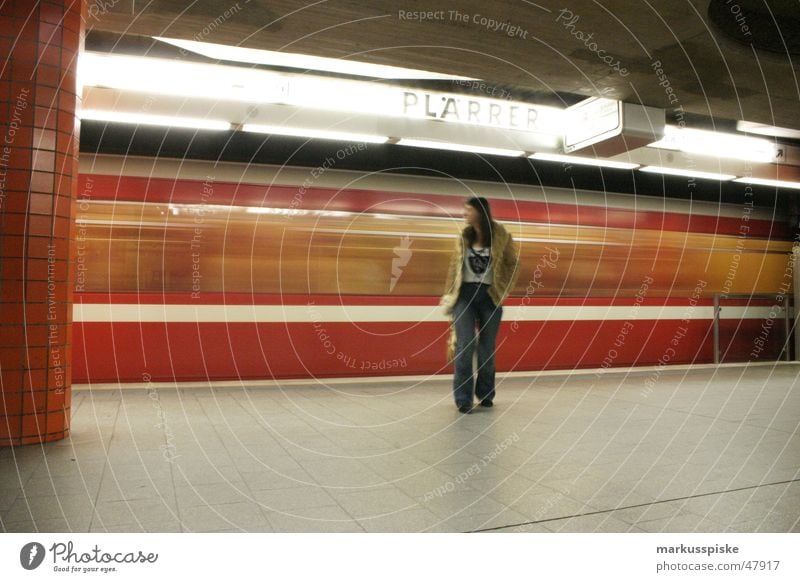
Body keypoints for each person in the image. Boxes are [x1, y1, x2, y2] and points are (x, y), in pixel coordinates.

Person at [441, 197, 520, 413]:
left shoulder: (501, 237)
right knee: (465, 346)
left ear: (479, 211)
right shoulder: (463, 238)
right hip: (464, 295)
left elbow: (514, 263)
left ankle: (485, 393)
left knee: (486, 350)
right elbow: (453, 267)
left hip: (489, 296)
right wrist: (449, 295)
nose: (464, 214)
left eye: (468, 210)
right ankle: (463, 399)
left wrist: (503, 288)